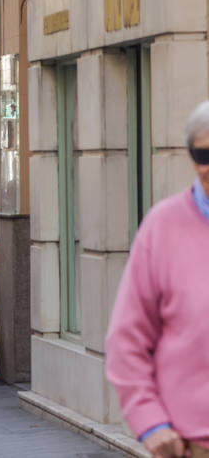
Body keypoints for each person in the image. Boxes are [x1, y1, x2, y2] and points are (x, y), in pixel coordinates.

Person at [105, 101, 209, 458]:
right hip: (191, 446)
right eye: (203, 153)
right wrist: (149, 421)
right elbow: (126, 338)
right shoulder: (163, 226)